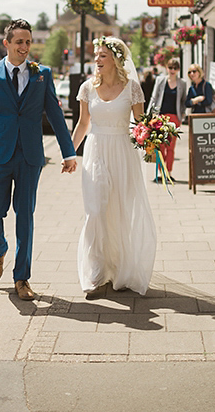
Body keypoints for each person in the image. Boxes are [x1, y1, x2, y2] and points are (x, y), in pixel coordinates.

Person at [0, 19, 77, 301]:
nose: (24, 47)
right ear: (7, 44)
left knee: (25, 217)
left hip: (30, 156)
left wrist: (69, 152)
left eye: (28, 42)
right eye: (19, 42)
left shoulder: (42, 74)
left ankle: (22, 278)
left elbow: (55, 114)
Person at [70, 36, 157, 299]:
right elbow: (83, 124)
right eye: (96, 55)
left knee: (119, 211)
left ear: (117, 59)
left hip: (122, 152)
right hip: (95, 151)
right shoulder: (87, 88)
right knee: (95, 210)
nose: (97, 59)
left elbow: (141, 123)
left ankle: (119, 269)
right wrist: (68, 153)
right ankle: (95, 274)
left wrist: (152, 143)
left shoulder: (132, 88)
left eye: (103, 55)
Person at [146, 58, 187, 183]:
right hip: (160, 117)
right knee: (159, 147)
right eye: (170, 68)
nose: (172, 70)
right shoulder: (160, 80)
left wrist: (183, 114)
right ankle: (161, 172)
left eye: (175, 68)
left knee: (170, 147)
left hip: (174, 118)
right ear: (166, 68)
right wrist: (149, 115)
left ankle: (168, 172)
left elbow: (183, 100)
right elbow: (154, 97)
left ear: (178, 70)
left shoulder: (182, 83)